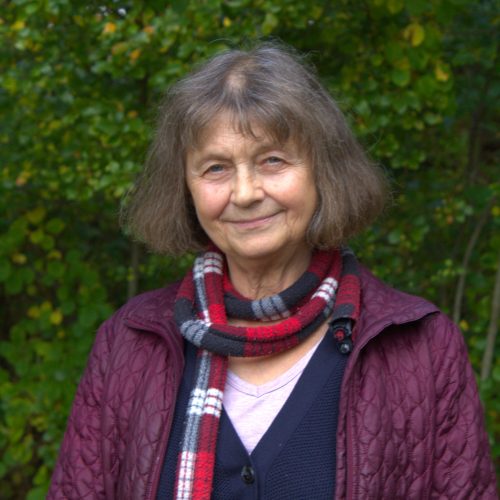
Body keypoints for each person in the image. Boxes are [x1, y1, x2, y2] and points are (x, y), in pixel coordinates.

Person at [48, 43, 496, 499]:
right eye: (216, 168)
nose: (244, 192)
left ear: (323, 169)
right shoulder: (128, 342)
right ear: (185, 187)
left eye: (273, 161)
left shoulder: (420, 346)